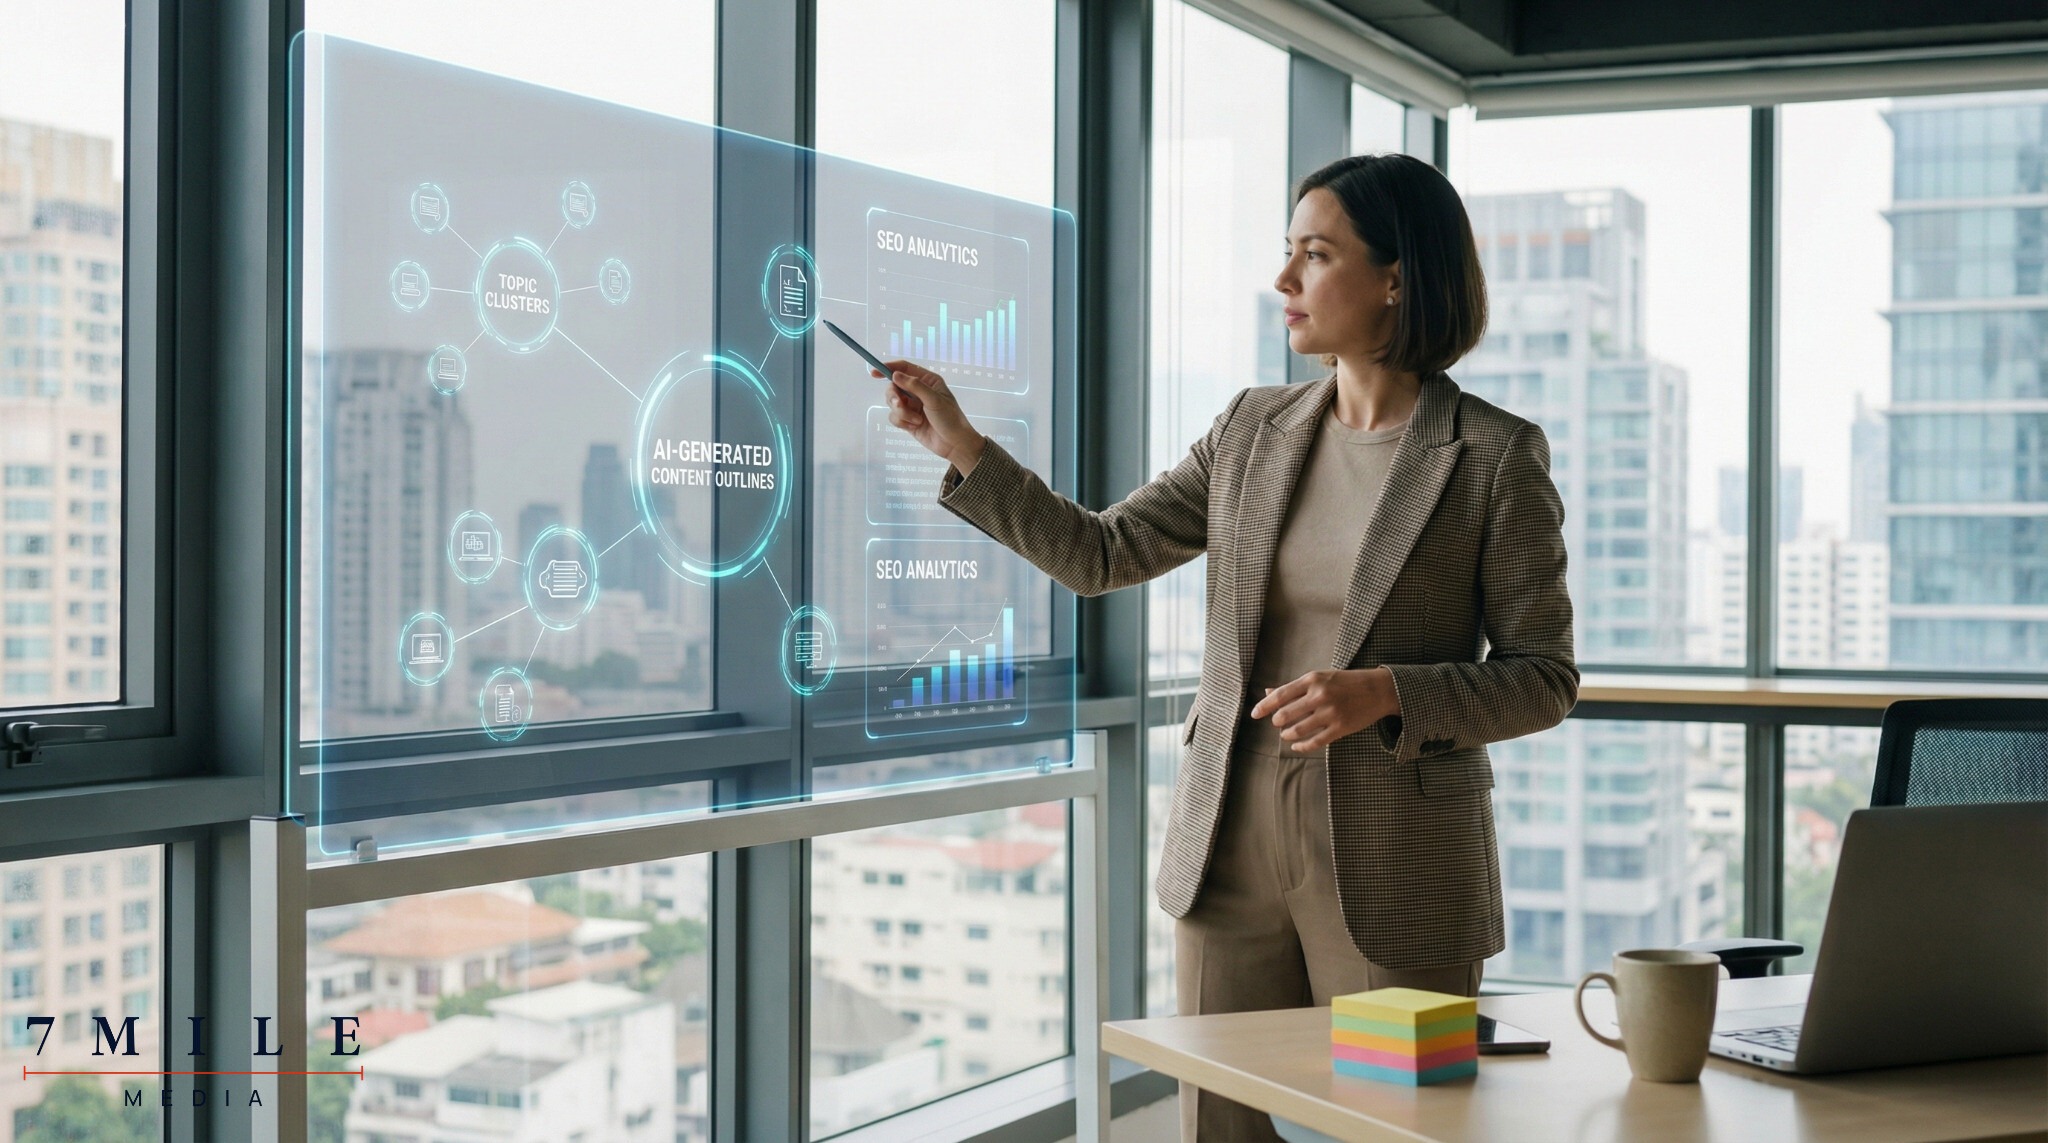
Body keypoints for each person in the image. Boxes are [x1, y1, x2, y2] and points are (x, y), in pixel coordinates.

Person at [877, 152, 1577, 1141]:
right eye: (1285, 253)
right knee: (1220, 1127)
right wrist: (962, 448)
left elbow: (1541, 678)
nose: (1284, 281)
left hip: (1391, 865)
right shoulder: (1250, 427)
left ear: (1393, 279)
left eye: (1315, 255)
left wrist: (1386, 691)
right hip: (1228, 849)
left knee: (1393, 1128)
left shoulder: (1493, 456)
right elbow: (1100, 553)